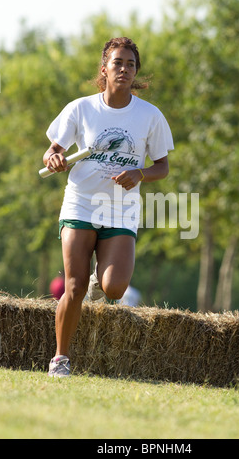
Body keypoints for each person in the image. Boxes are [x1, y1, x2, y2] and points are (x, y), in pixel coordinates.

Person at [43, 37, 174, 377]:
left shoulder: (150, 115)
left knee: (114, 288)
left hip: (120, 210)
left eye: (131, 64)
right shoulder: (81, 108)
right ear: (104, 69)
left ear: (135, 72)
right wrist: (55, 157)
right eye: (118, 63)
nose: (125, 69)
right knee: (75, 287)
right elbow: (52, 150)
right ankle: (60, 359)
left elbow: (162, 166)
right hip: (81, 204)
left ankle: (100, 274)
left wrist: (139, 173)